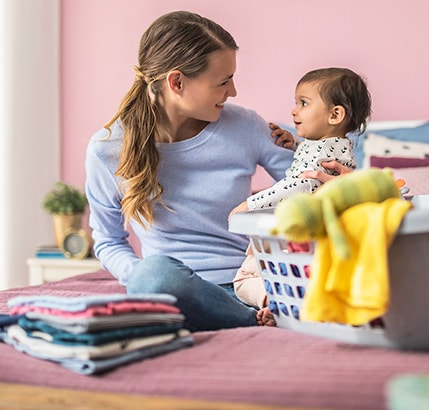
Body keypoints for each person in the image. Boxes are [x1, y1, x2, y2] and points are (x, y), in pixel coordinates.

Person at [85, 10, 302, 332]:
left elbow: (308, 187)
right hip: (173, 289)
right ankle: (249, 322)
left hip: (251, 287)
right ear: (177, 82)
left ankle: (250, 313)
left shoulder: (246, 126)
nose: (233, 92)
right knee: (154, 274)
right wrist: (140, 277)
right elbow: (107, 239)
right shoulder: (108, 149)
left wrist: (303, 148)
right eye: (224, 81)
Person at [230, 68, 372, 317]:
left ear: (335, 114)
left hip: (300, 233)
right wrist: (294, 142)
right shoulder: (332, 147)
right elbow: (311, 153)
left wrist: (252, 204)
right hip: (310, 234)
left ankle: (277, 304)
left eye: (303, 103)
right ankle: (280, 304)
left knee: (243, 279)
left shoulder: (327, 157)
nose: (294, 110)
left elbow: (300, 184)